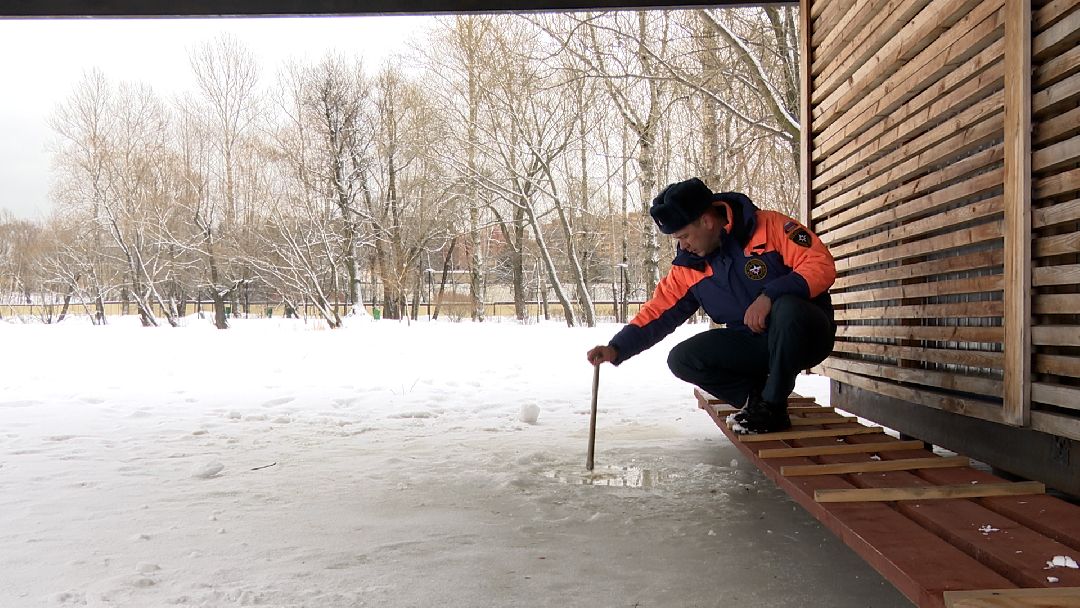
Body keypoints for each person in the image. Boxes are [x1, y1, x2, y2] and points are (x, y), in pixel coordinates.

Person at [586, 178, 836, 434]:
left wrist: (770, 296)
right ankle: (756, 399)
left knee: (787, 307)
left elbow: (820, 264)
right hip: (755, 343)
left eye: (684, 236)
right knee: (683, 359)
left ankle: (772, 409)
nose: (682, 245)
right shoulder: (689, 265)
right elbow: (658, 311)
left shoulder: (770, 226)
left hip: (806, 335)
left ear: (706, 221)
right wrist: (617, 348)